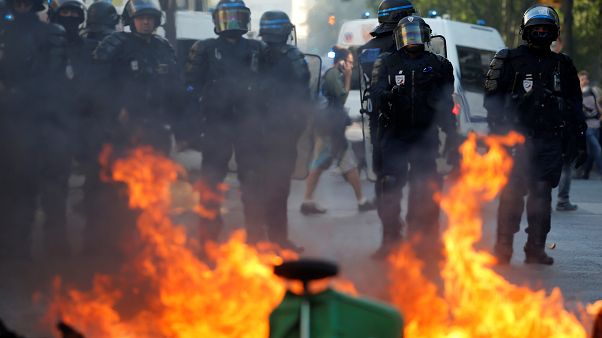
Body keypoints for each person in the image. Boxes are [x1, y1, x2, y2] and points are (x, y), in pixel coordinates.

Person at [484, 5, 587, 265]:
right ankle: (502, 248)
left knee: (541, 195)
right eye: (536, 28)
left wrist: (580, 140)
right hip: (516, 141)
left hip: (549, 140)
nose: (541, 32)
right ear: (526, 31)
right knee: (512, 195)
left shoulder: (563, 65)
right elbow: (492, 101)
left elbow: (575, 105)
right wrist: (499, 139)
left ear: (553, 33)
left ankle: (536, 249)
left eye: (545, 29)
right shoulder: (508, 59)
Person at [87, 0, 179, 255]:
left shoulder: (164, 48)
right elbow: (97, 86)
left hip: (156, 129)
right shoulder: (114, 45)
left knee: (154, 188)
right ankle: (111, 245)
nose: (146, 22)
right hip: (122, 131)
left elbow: (175, 88)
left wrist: (180, 123)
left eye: (150, 18)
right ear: (131, 20)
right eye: (141, 18)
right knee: (118, 190)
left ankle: (148, 243)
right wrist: (117, 109)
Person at [370, 16, 458, 259]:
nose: (413, 40)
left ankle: (424, 242)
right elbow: (374, 93)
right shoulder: (387, 62)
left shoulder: (439, 65)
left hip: (425, 136)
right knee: (390, 189)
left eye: (417, 35)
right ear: (399, 38)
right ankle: (390, 242)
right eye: (408, 35)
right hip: (394, 135)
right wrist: (388, 95)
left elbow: (445, 103)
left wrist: (452, 136)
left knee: (425, 191)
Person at [184, 0, 267, 243]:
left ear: (245, 19)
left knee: (252, 183)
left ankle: (255, 237)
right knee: (210, 184)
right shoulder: (205, 49)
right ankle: (208, 239)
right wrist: (191, 125)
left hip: (248, 125)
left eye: (236, 16)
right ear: (216, 20)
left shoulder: (257, 49)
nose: (232, 21)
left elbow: (271, 86)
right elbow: (190, 86)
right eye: (226, 16)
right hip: (215, 124)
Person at [0, 0, 66, 258]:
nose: (22, 4)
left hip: (35, 121)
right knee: (9, 191)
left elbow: (51, 76)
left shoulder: (49, 33)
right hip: (6, 122)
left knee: (35, 189)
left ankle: (35, 254)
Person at [300, 47, 376, 215]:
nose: (350, 65)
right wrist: (348, 78)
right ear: (340, 61)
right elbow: (341, 98)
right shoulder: (333, 75)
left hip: (329, 126)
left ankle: (360, 200)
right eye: (348, 62)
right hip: (329, 127)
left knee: (335, 163)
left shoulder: (333, 73)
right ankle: (308, 201)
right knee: (330, 163)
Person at [259, 10, 309, 250]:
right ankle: (277, 239)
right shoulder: (293, 56)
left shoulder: (251, 53)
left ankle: (262, 241)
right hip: (280, 136)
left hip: (255, 134)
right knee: (278, 190)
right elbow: (303, 97)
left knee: (258, 190)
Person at [357, 0, 415, 175]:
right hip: (409, 119)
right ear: (401, 17)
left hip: (379, 119)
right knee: (417, 179)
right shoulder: (407, 46)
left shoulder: (366, 49)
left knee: (384, 177)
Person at [578, 71, 602, 179]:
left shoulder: (592, 92)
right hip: (586, 127)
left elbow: (597, 106)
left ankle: (585, 173)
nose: (584, 81)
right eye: (582, 79)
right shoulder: (576, 93)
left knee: (592, 152)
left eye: (585, 79)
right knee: (597, 148)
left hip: (596, 125)